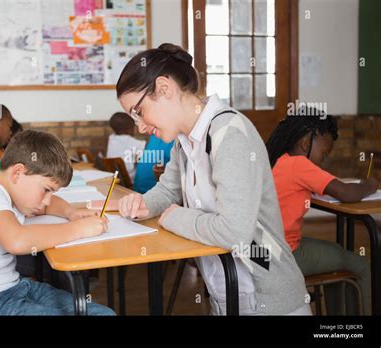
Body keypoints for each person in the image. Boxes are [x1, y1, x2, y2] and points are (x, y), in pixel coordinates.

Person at [115, 43, 311, 315]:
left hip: (268, 299)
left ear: (164, 88)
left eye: (138, 111)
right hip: (226, 296)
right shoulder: (184, 141)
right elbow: (168, 191)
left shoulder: (229, 133)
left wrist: (175, 217)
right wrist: (143, 204)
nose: (140, 126)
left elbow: (234, 231)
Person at [0, 129, 114, 316]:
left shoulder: (8, 194)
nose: (47, 200)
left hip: (11, 290)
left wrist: (71, 213)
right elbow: (17, 240)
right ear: (18, 173)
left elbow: (47, 206)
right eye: (46, 190)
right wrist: (78, 229)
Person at [267, 108, 377, 314]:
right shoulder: (298, 164)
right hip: (286, 255)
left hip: (269, 250)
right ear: (306, 144)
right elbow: (345, 192)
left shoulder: (278, 159)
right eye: (324, 153)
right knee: (360, 264)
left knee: (336, 255)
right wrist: (370, 185)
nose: (324, 160)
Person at [106, 112, 146, 182]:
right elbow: (142, 162)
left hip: (114, 178)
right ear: (130, 128)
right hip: (130, 180)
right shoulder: (138, 144)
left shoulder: (111, 139)